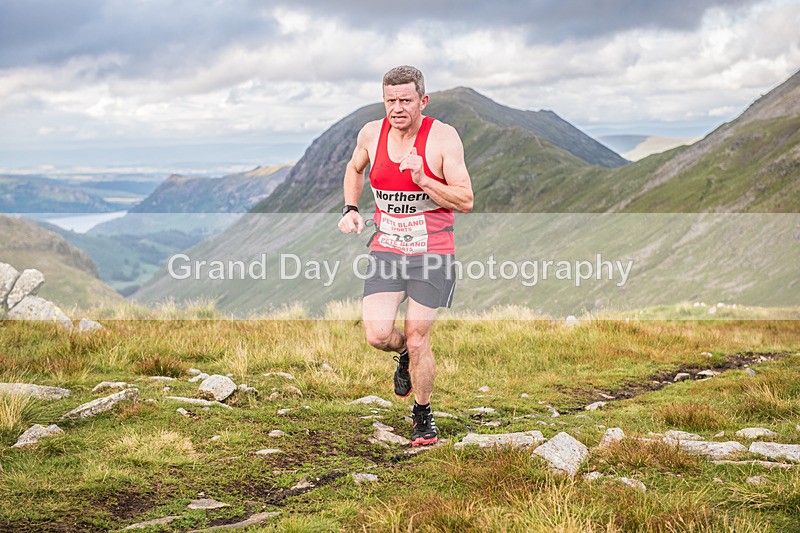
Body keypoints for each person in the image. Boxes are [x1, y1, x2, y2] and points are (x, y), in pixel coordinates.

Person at [337, 65, 474, 446]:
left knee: (417, 339)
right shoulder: (371, 133)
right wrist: (350, 208)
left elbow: (465, 200)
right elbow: (354, 167)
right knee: (379, 335)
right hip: (387, 248)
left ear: (422, 101)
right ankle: (404, 360)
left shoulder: (443, 139)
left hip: (433, 252)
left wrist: (425, 179)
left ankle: (423, 413)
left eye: (405, 101)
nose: (397, 108)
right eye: (390, 100)